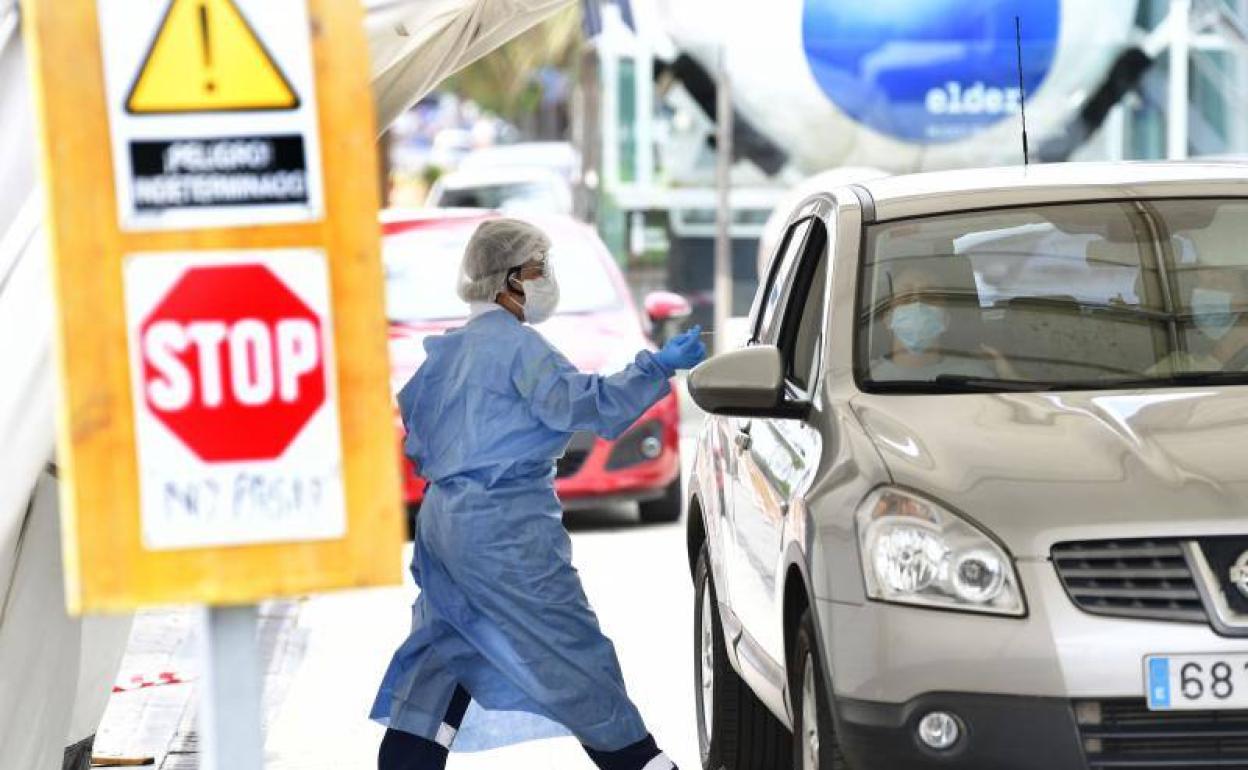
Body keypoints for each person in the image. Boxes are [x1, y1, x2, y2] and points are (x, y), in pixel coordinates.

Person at [371, 218, 705, 770]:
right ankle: (644, 764)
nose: (548, 278)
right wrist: (658, 367)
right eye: (538, 268)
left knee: (443, 658)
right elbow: (585, 405)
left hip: (446, 528)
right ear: (507, 280)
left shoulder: (445, 353)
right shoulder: (518, 348)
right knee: (573, 655)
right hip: (506, 535)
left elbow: (420, 437)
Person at [871, 265, 1006, 381]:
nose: (918, 302)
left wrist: (1009, 375)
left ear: (945, 319)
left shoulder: (975, 375)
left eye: (929, 296)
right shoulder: (864, 377)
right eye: (906, 296)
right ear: (887, 319)